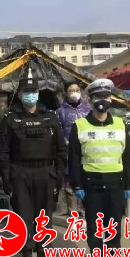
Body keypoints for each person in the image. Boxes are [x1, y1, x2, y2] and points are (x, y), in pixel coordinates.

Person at [0, 69, 67, 257]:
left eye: (33, 91)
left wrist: (57, 178)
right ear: (20, 95)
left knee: (44, 219)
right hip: (20, 173)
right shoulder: (10, 118)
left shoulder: (50, 117)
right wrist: (7, 179)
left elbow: (61, 151)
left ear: (38, 93)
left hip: (45, 173)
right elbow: (4, 151)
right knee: (24, 218)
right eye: (26, 92)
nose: (30, 95)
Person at [67, 78, 130, 257]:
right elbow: (74, 158)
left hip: (116, 184)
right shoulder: (80, 125)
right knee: (95, 228)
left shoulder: (120, 124)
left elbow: (128, 157)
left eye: (105, 96)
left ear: (111, 99)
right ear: (90, 100)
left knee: (113, 227)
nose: (102, 100)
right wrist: (77, 185)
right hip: (92, 184)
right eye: (97, 97)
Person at [55, 82, 91, 216]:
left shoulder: (88, 111)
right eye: (71, 90)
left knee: (86, 180)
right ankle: (73, 212)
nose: (74, 92)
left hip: (86, 151)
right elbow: (57, 131)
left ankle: (85, 211)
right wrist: (64, 141)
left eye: (76, 90)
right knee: (70, 182)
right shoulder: (60, 112)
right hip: (69, 151)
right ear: (66, 93)